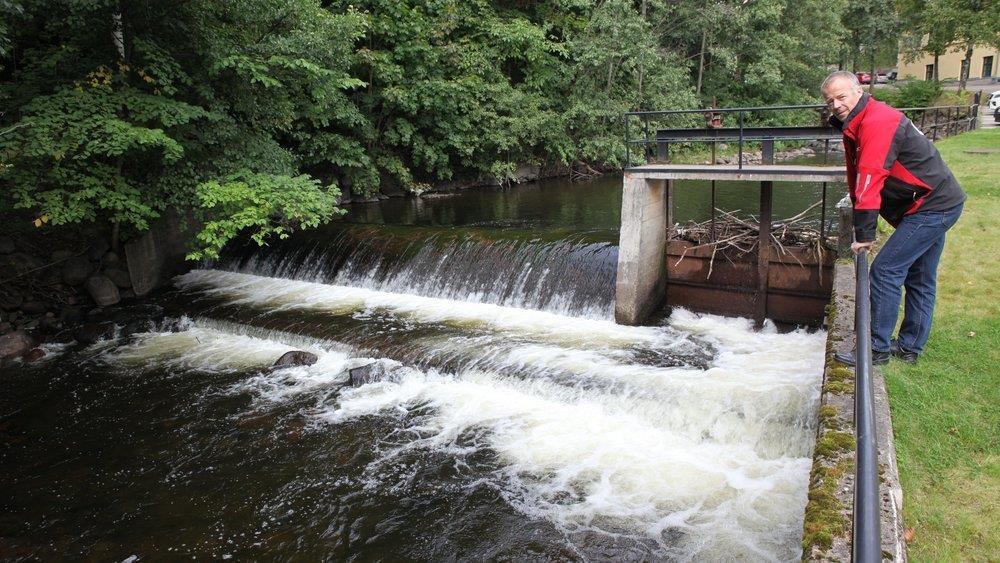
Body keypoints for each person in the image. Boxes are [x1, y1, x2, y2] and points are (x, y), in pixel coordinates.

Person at [821, 71, 966, 366]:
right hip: (933, 201)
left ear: (858, 92)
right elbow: (858, 177)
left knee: (885, 270)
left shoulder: (877, 121)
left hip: (933, 206)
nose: (835, 105)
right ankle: (910, 348)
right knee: (921, 277)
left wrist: (863, 236)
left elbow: (869, 179)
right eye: (830, 100)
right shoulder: (861, 120)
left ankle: (876, 348)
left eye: (841, 97)